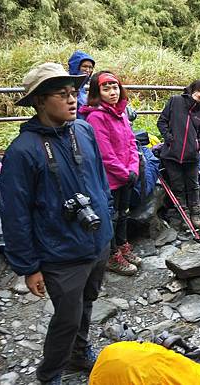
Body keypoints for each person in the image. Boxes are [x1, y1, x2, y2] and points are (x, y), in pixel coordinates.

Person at [0, 63, 114, 385]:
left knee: (87, 303)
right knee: (66, 318)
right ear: (39, 101)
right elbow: (14, 213)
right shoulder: (23, 151)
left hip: (97, 240)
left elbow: (100, 181)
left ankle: (79, 353)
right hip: (61, 252)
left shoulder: (84, 130)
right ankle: (50, 375)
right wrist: (28, 266)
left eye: (74, 92)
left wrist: (108, 226)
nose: (72, 99)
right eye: (61, 94)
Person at [79, 71, 141, 276]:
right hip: (111, 180)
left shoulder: (120, 112)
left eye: (115, 87)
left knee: (123, 213)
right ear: (98, 92)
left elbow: (132, 142)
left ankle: (123, 245)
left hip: (126, 175)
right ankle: (112, 255)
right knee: (111, 216)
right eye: (106, 89)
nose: (112, 92)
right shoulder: (96, 117)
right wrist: (126, 173)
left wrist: (133, 168)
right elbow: (105, 154)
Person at [157, 79, 200, 228]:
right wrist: (169, 138)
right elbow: (162, 121)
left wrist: (197, 144)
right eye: (199, 91)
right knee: (177, 185)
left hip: (191, 156)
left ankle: (195, 212)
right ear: (193, 88)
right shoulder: (175, 101)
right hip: (171, 154)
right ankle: (183, 212)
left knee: (193, 184)